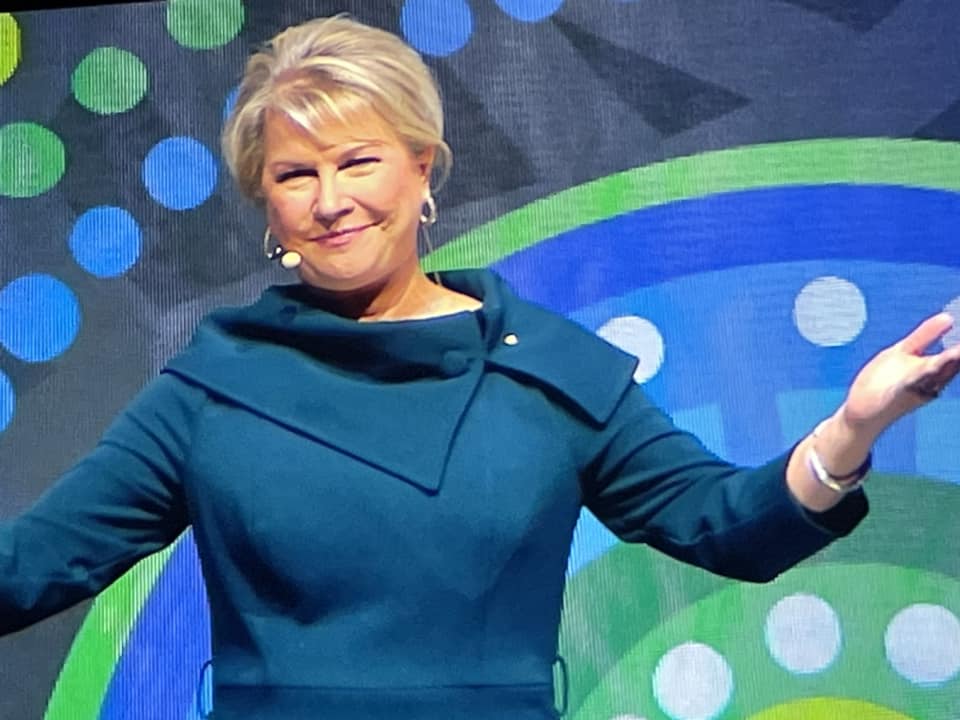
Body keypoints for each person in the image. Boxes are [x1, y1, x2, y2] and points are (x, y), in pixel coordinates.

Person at [2, 14, 959, 720]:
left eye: (358, 161)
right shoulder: (214, 388)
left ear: (422, 168)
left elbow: (725, 525)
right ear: (267, 205)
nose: (330, 201)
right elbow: (32, 567)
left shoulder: (550, 370)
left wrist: (854, 428)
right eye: (296, 175)